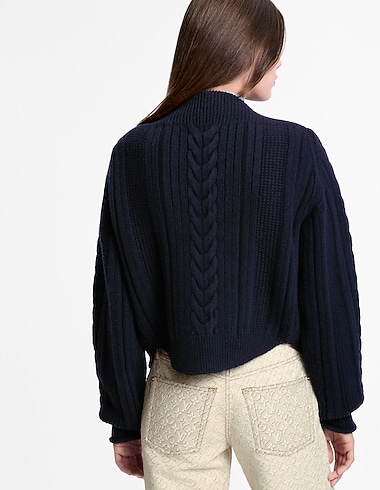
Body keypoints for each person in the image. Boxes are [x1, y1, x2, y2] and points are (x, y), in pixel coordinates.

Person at [92, 0, 363, 488]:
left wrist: (125, 419)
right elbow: (329, 291)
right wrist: (338, 408)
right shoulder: (297, 149)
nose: (279, 64)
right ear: (251, 51)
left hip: (177, 397)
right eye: (275, 51)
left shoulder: (133, 153)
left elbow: (116, 303)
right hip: (275, 392)